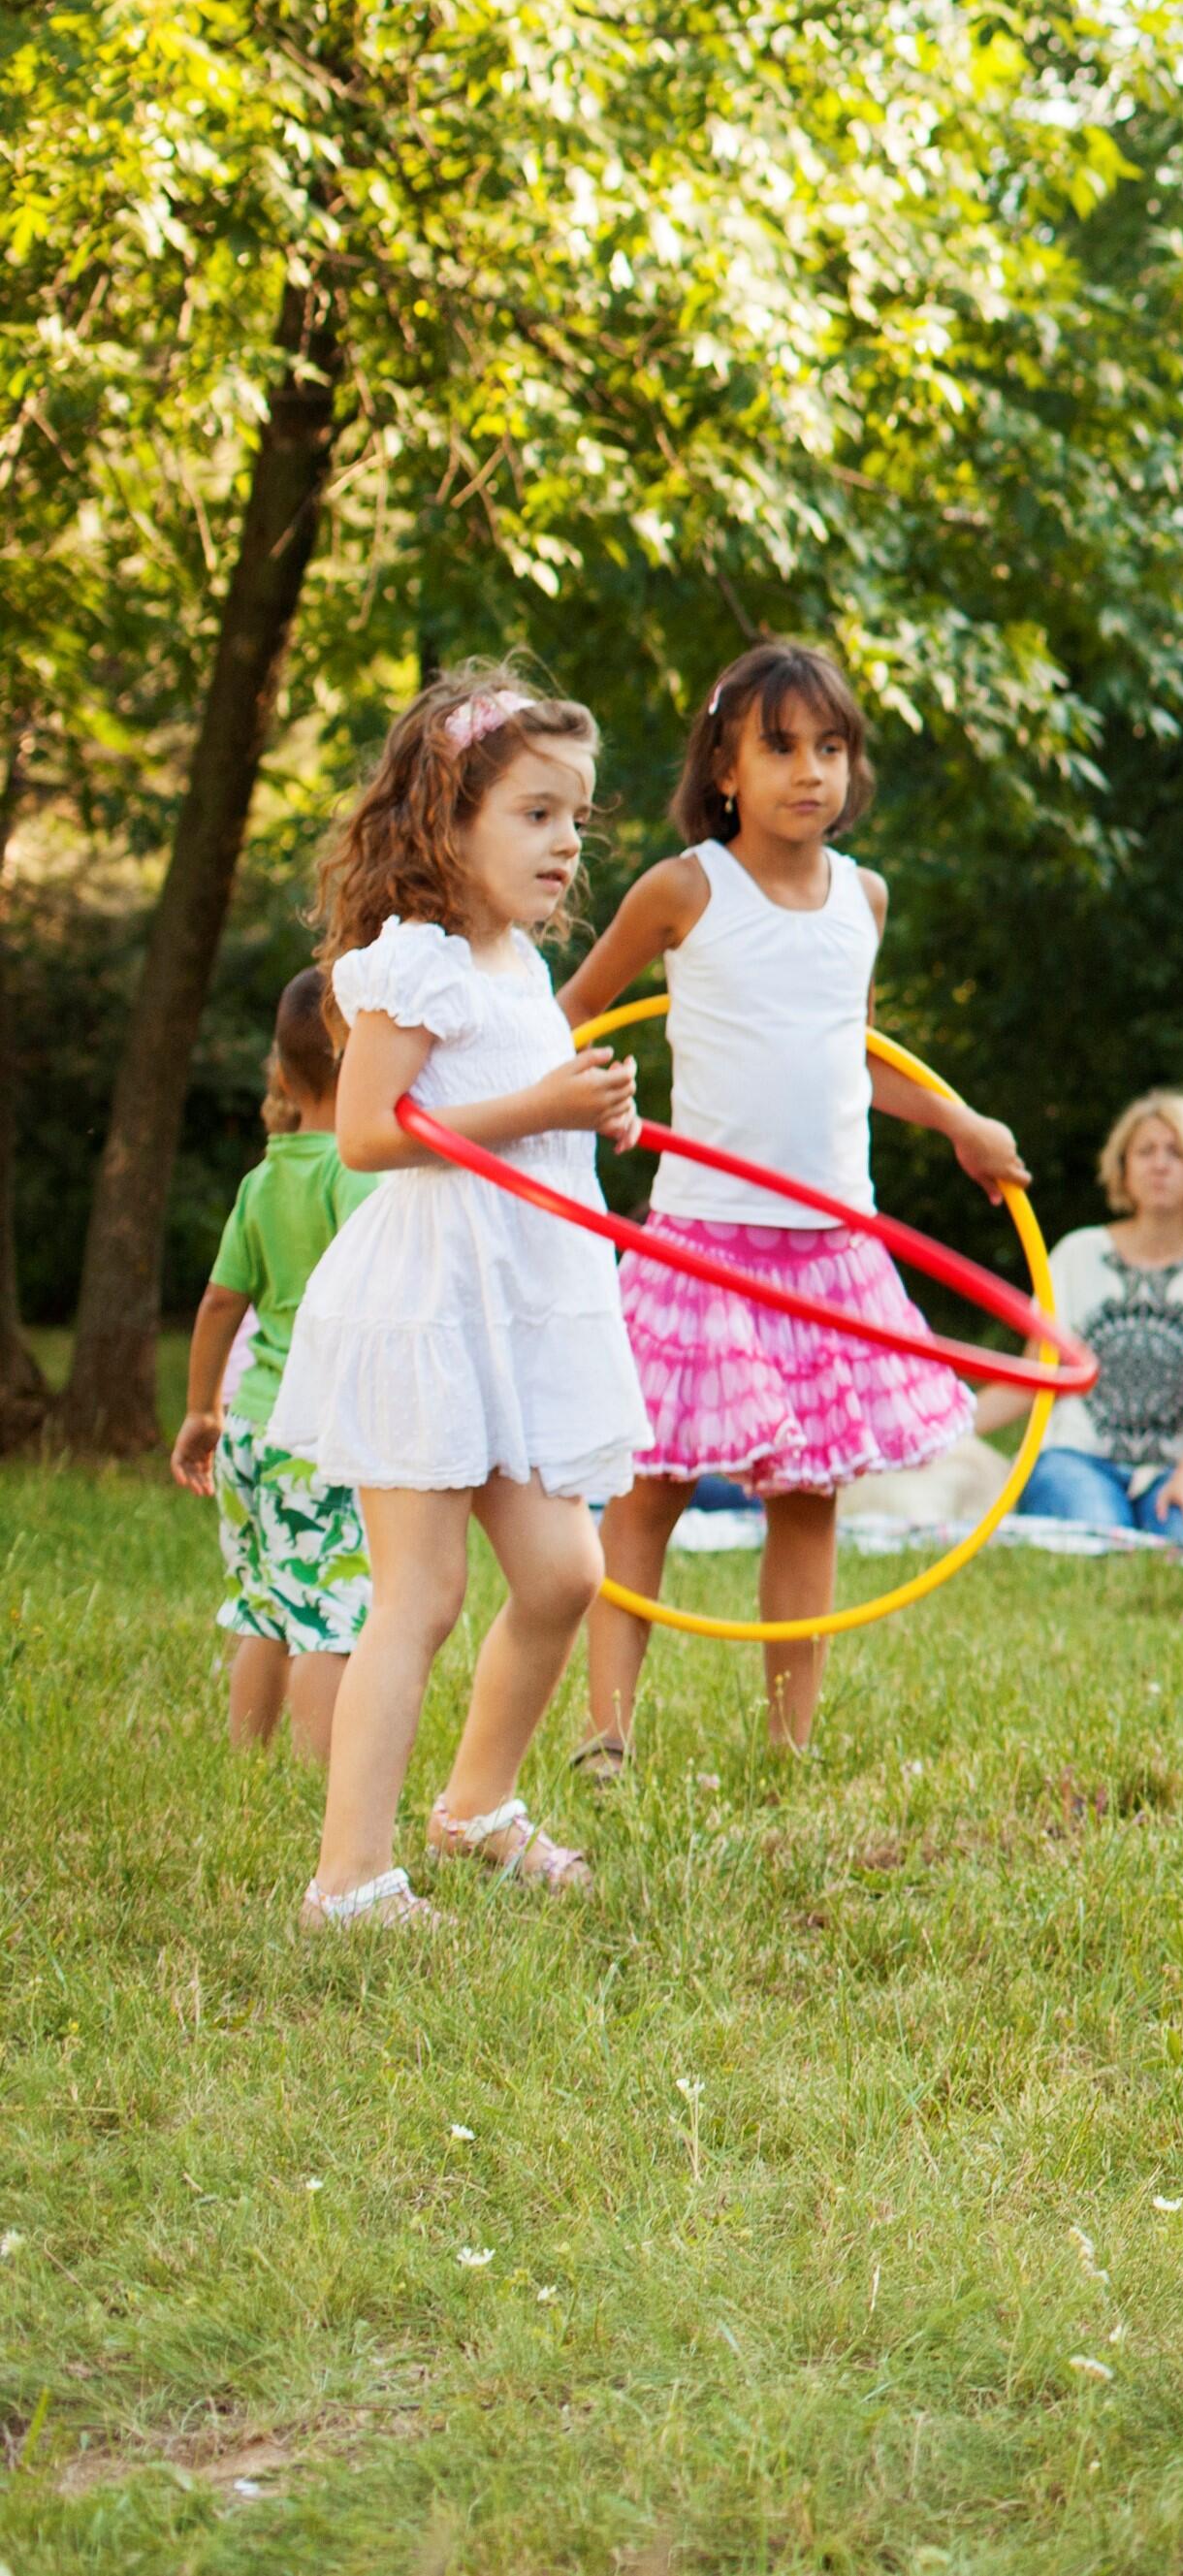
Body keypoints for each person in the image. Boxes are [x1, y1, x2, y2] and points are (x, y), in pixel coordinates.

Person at [566, 640, 1030, 1765]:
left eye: (831, 747)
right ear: (724, 767)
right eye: (779, 748)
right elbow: (570, 1017)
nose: (809, 771)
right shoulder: (684, 888)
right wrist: (562, 1100)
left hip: (829, 1247)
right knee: (649, 1493)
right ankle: (605, 1737)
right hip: (701, 1239)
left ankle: (789, 1745)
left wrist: (960, 1122)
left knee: (808, 1499)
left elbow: (857, 1059)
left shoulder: (862, 898)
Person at [266, 665, 655, 1931]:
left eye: (576, 821)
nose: (563, 845)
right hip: (430, 1309)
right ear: (450, 817)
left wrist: (599, 1116)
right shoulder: (412, 963)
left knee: (563, 1574)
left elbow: (532, 1127)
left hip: (519, 1309)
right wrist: (541, 1108)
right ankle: (348, 1880)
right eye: (536, 814)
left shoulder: (522, 970)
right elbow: (373, 1134)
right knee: (420, 1596)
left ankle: (476, 1805)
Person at [171, 969, 373, 1764]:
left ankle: (248, 1762)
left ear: (283, 1078)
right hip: (321, 1434)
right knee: (332, 1608)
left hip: (251, 1425)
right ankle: (317, 1773)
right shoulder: (358, 1176)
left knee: (259, 1600)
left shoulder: (260, 1183)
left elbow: (220, 1303)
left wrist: (201, 1411)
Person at [975, 1091, 1183, 1547]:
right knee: (1098, 1541)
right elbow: (1037, 1377)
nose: (1159, 1164)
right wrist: (941, 1432)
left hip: (1178, 1462)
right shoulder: (1077, 1255)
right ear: (1123, 1168)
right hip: (1076, 1458)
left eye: (1176, 1152)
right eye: (1145, 1151)